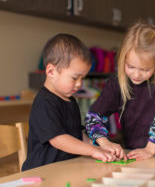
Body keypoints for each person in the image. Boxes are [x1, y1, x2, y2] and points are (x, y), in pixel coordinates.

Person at [85, 22, 155, 161]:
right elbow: (93, 117)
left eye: (145, 70)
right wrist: (104, 142)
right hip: (135, 156)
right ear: (123, 59)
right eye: (130, 66)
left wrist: (149, 149)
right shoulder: (116, 85)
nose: (136, 75)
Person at [22, 34, 115, 171]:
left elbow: (76, 133)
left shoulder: (70, 100)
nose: (79, 84)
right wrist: (92, 151)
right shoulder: (44, 102)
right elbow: (58, 139)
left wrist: (98, 147)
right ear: (51, 71)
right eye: (75, 78)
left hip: (63, 169)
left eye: (82, 78)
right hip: (41, 172)